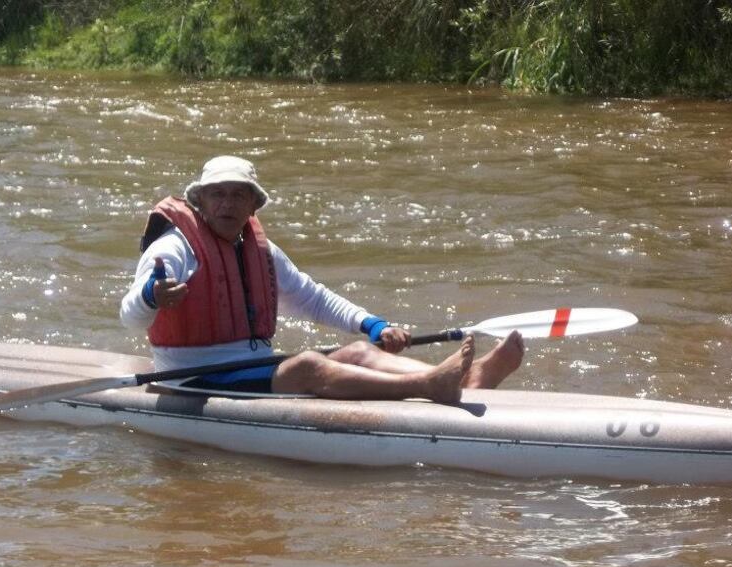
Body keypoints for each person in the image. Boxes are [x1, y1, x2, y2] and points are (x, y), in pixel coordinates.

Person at [120, 155, 524, 403]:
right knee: (308, 365)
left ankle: (467, 379)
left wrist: (373, 325)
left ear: (253, 203)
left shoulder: (260, 251)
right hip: (191, 376)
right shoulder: (174, 249)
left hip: (248, 366)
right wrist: (153, 297)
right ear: (200, 201)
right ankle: (427, 385)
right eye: (217, 194)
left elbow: (313, 299)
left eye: (237, 195)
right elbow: (130, 315)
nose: (226, 204)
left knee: (358, 352)